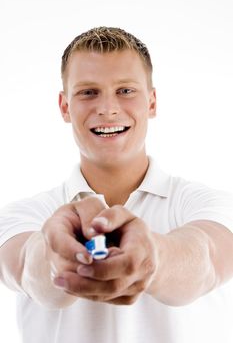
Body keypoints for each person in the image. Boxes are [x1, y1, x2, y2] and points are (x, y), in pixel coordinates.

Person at [0, 26, 233, 343]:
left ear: (151, 102)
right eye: (88, 92)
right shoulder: (22, 215)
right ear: (65, 106)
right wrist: (55, 258)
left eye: (125, 90)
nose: (107, 108)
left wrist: (155, 257)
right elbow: (25, 266)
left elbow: (206, 260)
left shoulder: (209, 204)